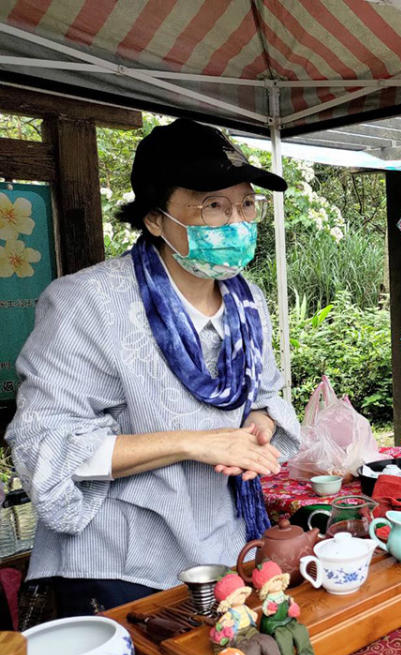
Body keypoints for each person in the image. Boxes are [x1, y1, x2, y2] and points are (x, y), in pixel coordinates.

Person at [5, 119, 301, 616]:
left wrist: (259, 423)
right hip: (123, 560)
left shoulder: (246, 300)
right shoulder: (88, 303)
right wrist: (190, 441)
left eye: (246, 203)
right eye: (212, 205)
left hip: (225, 543)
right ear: (155, 219)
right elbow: (42, 448)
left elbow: (266, 394)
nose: (236, 221)